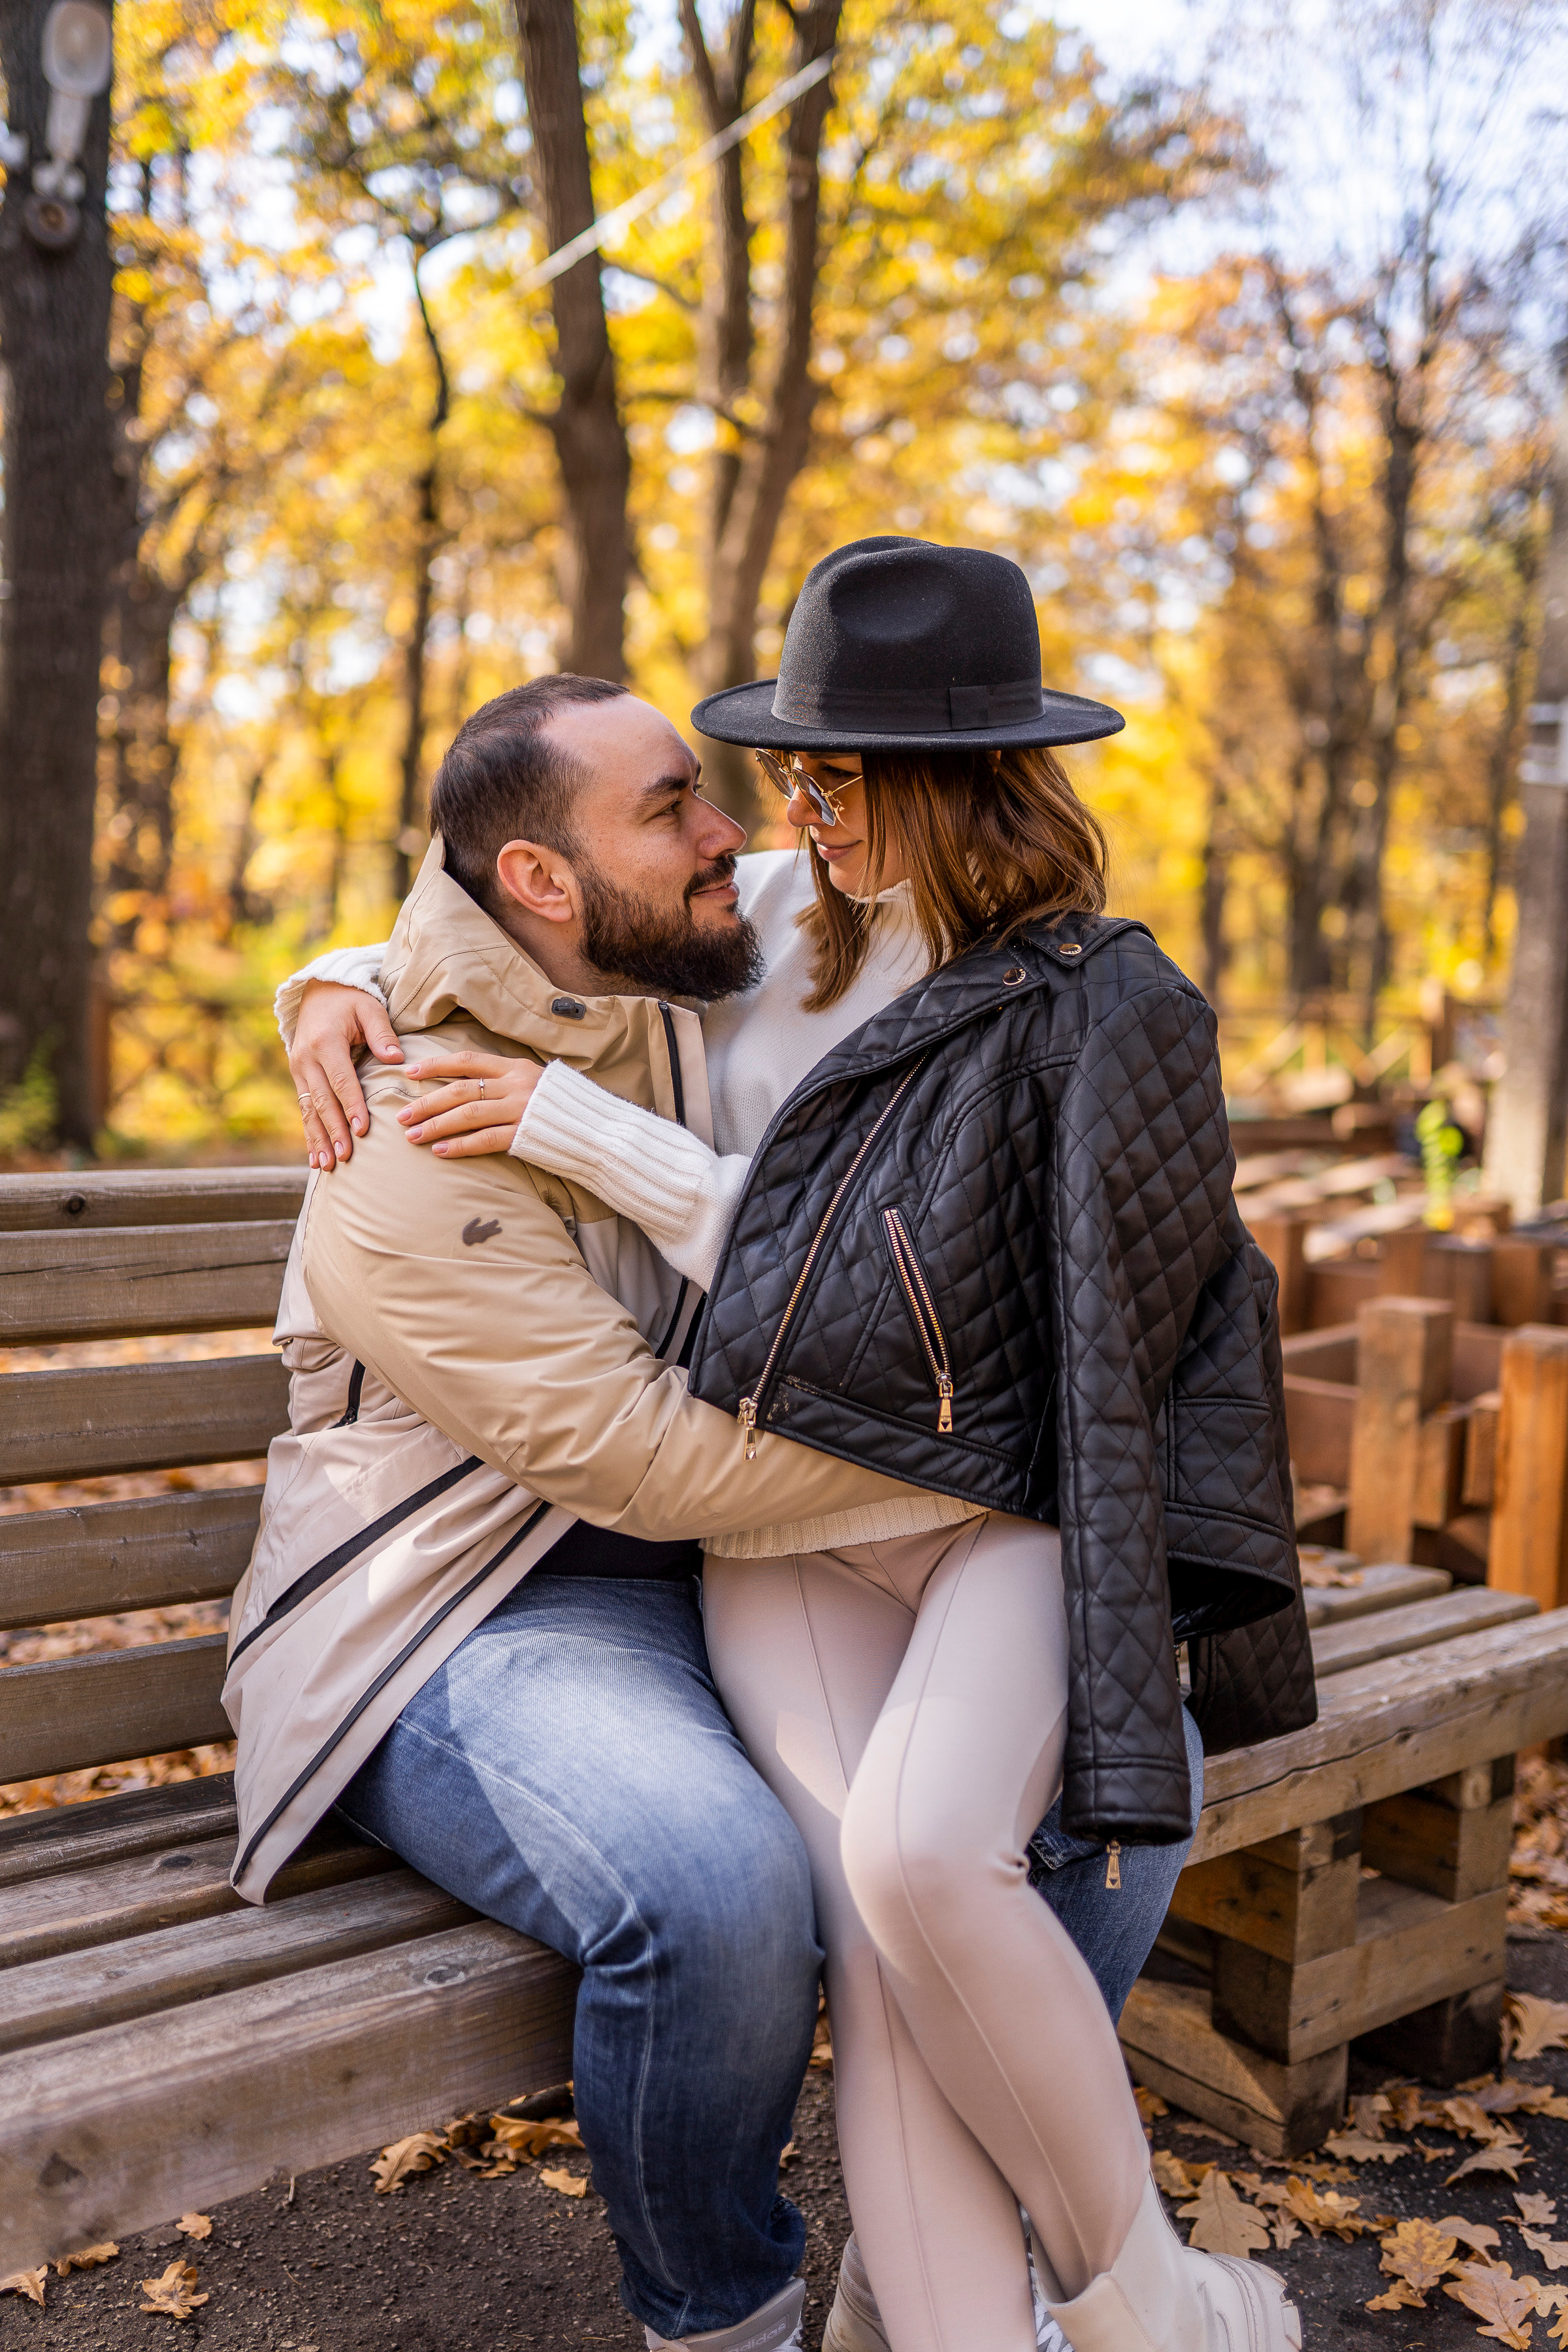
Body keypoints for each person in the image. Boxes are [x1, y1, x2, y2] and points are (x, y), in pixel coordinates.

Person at [283, 540, 1315, 2352]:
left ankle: (1139, 2299)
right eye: (764, 780)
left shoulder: (1076, 1001)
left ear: (944, 783)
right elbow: (511, 899)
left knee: (974, 1862)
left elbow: (924, 1297)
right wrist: (329, 978)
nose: (773, 816)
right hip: (757, 1537)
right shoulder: (755, 929)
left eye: (822, 781)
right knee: (877, 1907)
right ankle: (984, 2319)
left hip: (966, 1515)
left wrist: (581, 1133)